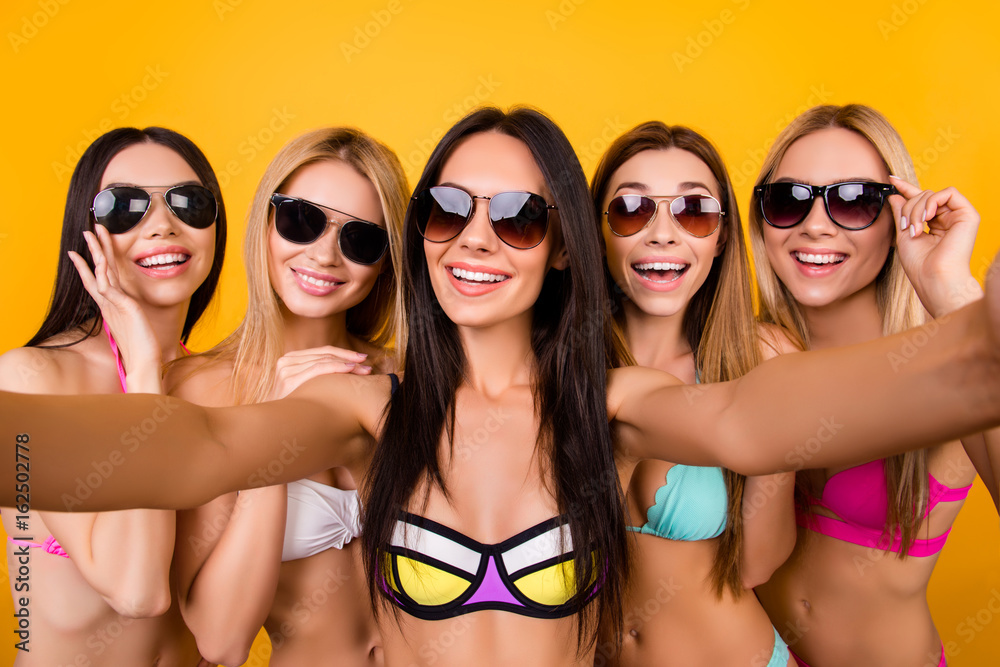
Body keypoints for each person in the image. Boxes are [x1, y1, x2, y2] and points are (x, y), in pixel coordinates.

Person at [2, 107, 1000, 667]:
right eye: (446, 209)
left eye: (517, 215)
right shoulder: (367, 410)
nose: (476, 236)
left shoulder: (606, 406)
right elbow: (195, 451)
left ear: (563, 245)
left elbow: (740, 422)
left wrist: (978, 341)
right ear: (421, 237)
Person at [750, 104, 992, 667]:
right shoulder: (740, 350)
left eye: (854, 201)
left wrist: (950, 289)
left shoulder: (946, 362)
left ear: (898, 217)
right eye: (789, 200)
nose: (815, 225)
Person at [164, 127, 407, 666]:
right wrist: (273, 427)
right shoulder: (199, 391)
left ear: (387, 261)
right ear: (266, 223)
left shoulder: (404, 378)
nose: (324, 255)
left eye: (360, 239)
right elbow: (220, 638)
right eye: (303, 220)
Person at [0, 126, 226, 665]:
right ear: (87, 230)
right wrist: (145, 372)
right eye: (125, 206)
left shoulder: (223, 385)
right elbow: (137, 592)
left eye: (189, 203)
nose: (163, 226)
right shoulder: (31, 381)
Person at [591, 121, 795, 666]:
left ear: (721, 235)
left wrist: (779, 429)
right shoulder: (552, 367)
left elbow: (756, 564)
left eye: (694, 211)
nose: (662, 233)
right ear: (598, 230)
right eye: (632, 210)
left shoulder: (757, 359)